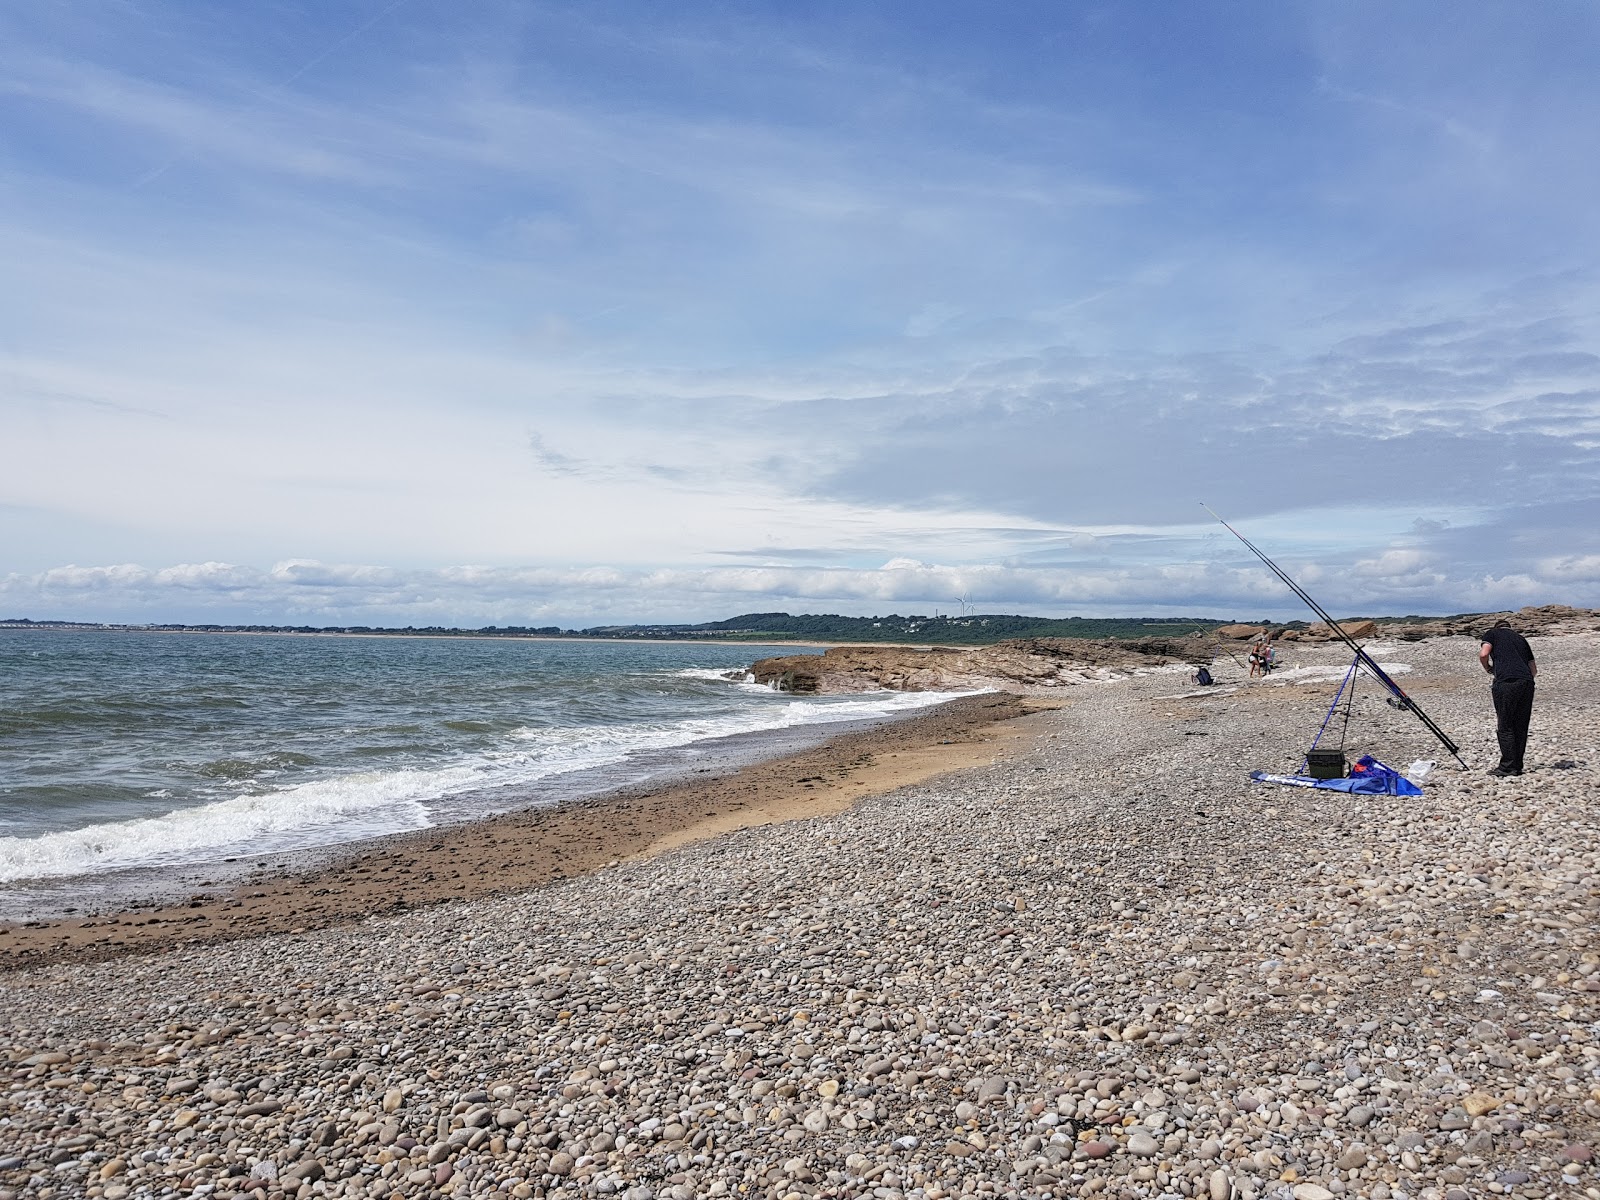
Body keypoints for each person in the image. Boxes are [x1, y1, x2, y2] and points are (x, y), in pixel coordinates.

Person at [1479, 618, 1536, 777]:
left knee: (1505, 725)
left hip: (1506, 682)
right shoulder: (1521, 639)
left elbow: (1484, 654)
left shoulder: (1492, 634)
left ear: (1496, 627)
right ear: (1510, 628)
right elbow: (1533, 670)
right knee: (1520, 724)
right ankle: (1517, 765)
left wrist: (1489, 669)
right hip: (1526, 682)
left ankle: (1507, 766)